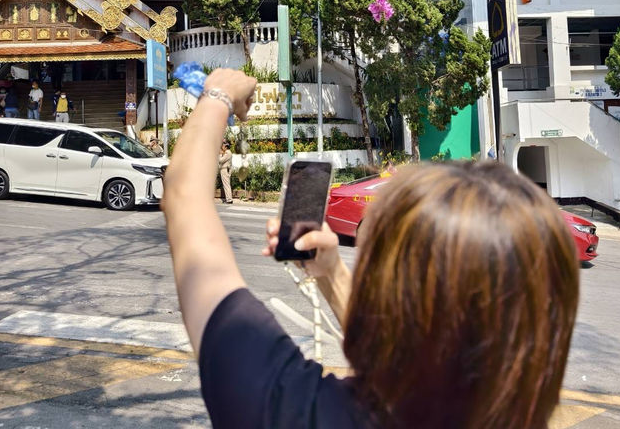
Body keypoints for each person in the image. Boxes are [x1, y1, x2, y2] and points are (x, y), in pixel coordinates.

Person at [162, 68, 580, 429]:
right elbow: (401, 358)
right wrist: (331, 274)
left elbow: (184, 200)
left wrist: (217, 93)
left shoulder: (294, 411)